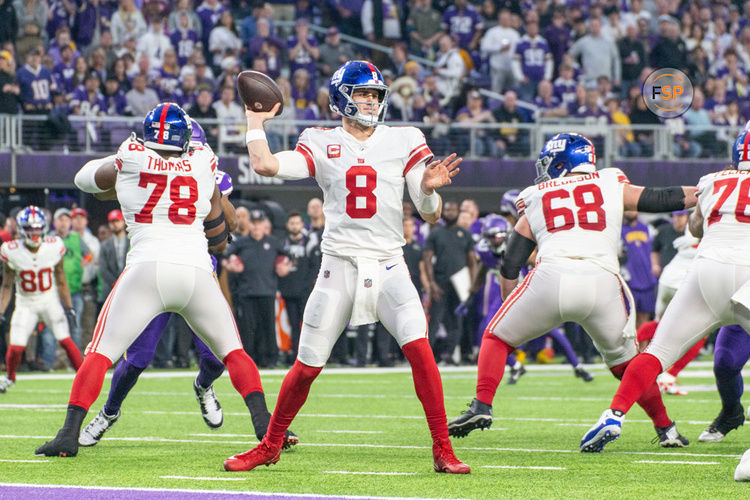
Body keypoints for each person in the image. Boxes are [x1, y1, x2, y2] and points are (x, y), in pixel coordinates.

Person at [224, 60, 470, 474]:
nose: (371, 101)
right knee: (306, 367)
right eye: (362, 93)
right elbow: (265, 165)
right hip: (338, 264)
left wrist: (427, 191)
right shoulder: (320, 140)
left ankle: (443, 449)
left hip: (391, 263)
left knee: (421, 352)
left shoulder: (406, 139)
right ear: (341, 97)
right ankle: (270, 444)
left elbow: (430, 213)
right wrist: (253, 120)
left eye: (376, 94)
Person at [35, 103, 292, 457]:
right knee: (234, 353)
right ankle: (265, 426)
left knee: (99, 355)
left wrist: (120, 172)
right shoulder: (203, 159)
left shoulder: (132, 155)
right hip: (196, 270)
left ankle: (68, 434)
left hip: (147, 268)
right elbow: (220, 229)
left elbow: (84, 178)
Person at [447, 133, 696, 451]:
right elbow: (662, 199)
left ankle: (481, 405)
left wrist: (510, 303)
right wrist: (705, 193)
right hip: (603, 282)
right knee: (627, 366)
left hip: (551, 277)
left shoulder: (536, 194)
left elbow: (511, 261)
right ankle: (666, 428)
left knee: (496, 337)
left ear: (561, 163)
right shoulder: (610, 182)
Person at [583, 130, 750, 462]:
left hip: (706, 269)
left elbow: (697, 227)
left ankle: (614, 414)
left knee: (657, 352)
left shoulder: (712, 180)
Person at [0, 207, 81, 393]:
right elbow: (6, 285)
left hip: (49, 300)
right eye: (30, 228)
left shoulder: (54, 246)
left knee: (66, 340)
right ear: (21, 229)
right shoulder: (11, 250)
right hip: (25, 303)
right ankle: (9, 378)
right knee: (16, 345)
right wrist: (1, 310)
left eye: (37, 228)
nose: (34, 233)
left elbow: (61, 279)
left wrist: (68, 307)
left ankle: (84, 375)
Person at [224, 209, 289, 368]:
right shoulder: (241, 242)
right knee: (248, 328)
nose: (256, 227)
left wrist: (284, 266)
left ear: (264, 225)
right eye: (254, 224)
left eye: (259, 224)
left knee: (268, 327)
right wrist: (231, 265)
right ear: (250, 225)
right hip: (247, 292)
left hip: (267, 291)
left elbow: (288, 257)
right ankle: (250, 360)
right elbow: (225, 258)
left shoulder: (273, 242)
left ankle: (270, 359)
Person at [423, 201, 476, 365]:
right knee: (435, 320)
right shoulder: (436, 233)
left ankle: (448, 353)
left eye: (453, 209)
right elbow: (427, 259)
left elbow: (472, 261)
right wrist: (431, 283)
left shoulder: (464, 234)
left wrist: (472, 285)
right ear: (443, 212)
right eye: (447, 209)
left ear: (458, 212)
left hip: (460, 283)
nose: (450, 212)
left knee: (457, 321)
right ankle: (427, 357)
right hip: (440, 281)